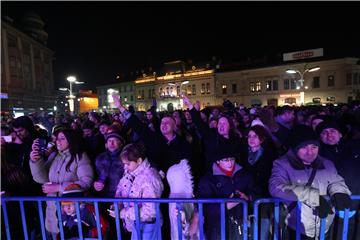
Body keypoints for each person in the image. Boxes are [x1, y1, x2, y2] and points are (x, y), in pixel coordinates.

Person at [269, 125, 351, 239]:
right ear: (295, 148)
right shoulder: (282, 164)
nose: (310, 152)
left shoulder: (327, 163)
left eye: (314, 147)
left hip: (324, 226)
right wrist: (311, 196)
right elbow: (276, 186)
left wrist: (339, 191)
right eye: (304, 147)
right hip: (298, 228)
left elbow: (336, 180)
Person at [29, 128, 94, 239]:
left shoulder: (80, 157)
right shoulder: (55, 156)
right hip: (52, 210)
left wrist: (59, 187)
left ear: (71, 140)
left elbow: (86, 182)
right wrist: (36, 161)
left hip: (71, 212)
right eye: (57, 139)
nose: (58, 141)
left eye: (62, 138)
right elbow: (41, 178)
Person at [197, 149, 259, 240]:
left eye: (232, 159)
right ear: (218, 161)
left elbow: (257, 192)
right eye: (225, 160)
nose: (230, 163)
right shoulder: (208, 180)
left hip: (242, 224)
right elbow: (203, 205)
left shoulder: (245, 175)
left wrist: (248, 197)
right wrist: (225, 206)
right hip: (218, 228)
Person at [110, 143, 164, 240]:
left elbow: (150, 211)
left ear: (139, 161)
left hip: (147, 225)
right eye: (124, 164)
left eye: (128, 164)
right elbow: (120, 191)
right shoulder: (128, 173)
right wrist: (117, 205)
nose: (125, 167)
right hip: (133, 223)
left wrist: (122, 213)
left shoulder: (150, 178)